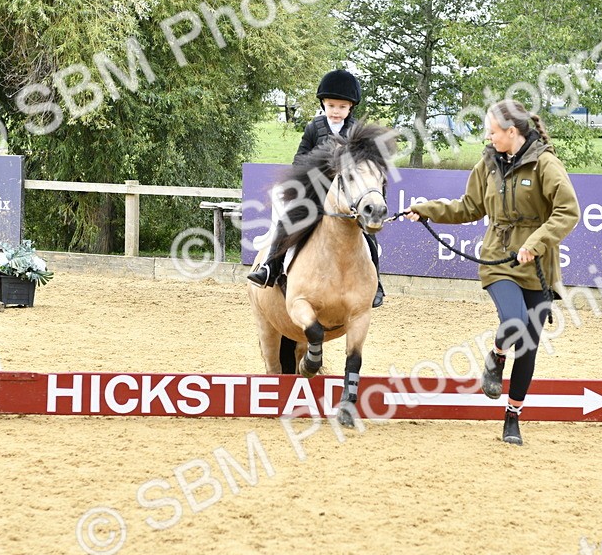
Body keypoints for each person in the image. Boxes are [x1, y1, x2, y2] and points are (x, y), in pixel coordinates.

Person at [405, 99, 580, 445]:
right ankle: (497, 356)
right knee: (514, 323)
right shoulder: (487, 164)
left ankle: (512, 417)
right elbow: (468, 207)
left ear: (512, 132)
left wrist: (536, 242)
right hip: (498, 258)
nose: (488, 138)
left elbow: (567, 210)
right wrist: (426, 209)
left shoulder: (545, 163)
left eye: (492, 132)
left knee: (528, 346)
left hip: (538, 266)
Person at [247, 69, 386, 307]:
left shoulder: (357, 133)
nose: (336, 111)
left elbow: (369, 166)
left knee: (368, 236)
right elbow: (299, 158)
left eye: (342, 107)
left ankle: (377, 283)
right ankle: (270, 267)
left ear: (351, 107)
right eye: (331, 105)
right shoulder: (314, 127)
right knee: (287, 220)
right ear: (323, 103)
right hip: (315, 193)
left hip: (346, 198)